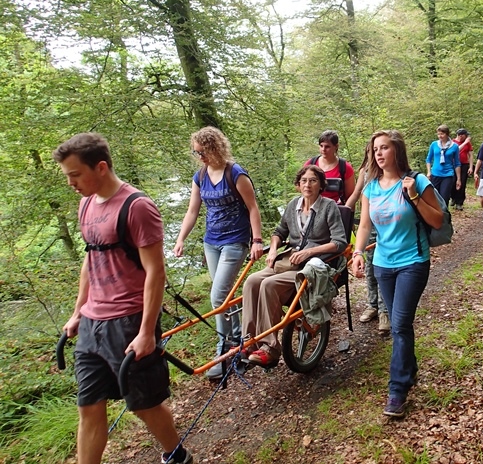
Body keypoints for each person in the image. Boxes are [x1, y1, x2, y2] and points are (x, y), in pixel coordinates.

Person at [53, 133, 193, 464]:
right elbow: (92, 260)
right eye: (68, 176)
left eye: (76, 175)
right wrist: (77, 313)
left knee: (144, 405)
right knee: (88, 406)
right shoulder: (86, 203)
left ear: (100, 167)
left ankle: (176, 455)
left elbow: (155, 272)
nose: (72, 183)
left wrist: (146, 332)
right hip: (92, 322)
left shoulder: (137, 207)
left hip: (129, 321)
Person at [352, 130, 443, 417]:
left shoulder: (416, 181)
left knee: (400, 324)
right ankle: (409, 367)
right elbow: (365, 226)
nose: (378, 153)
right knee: (400, 324)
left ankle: (397, 390)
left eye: (384, 148)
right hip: (383, 265)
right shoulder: (370, 188)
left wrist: (414, 197)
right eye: (375, 149)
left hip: (413, 261)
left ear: (397, 151)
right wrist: (357, 253)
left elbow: (437, 220)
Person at [173, 127, 263, 380]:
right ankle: (238, 343)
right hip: (211, 242)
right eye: (196, 152)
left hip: (236, 240)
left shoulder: (235, 174)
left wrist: (256, 240)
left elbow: (252, 208)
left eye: (202, 152)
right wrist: (181, 238)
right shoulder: (200, 176)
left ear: (215, 148)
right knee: (224, 298)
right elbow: (192, 211)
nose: (199, 156)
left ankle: (222, 350)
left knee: (217, 297)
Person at [242, 165, 348, 367]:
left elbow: (339, 242)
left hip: (313, 266)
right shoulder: (293, 205)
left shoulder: (328, 206)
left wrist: (309, 251)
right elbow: (279, 232)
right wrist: (273, 249)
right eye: (304, 181)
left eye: (313, 180)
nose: (308, 184)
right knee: (252, 281)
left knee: (268, 285)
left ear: (321, 185)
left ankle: (270, 348)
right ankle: (249, 340)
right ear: (298, 185)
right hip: (288, 260)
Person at [345, 143, 389, 333]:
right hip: (369, 225)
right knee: (370, 267)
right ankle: (373, 305)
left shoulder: (390, 171)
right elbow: (356, 194)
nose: (376, 154)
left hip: (388, 226)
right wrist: (344, 214)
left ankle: (385, 310)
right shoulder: (365, 171)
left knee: (384, 268)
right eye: (372, 150)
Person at [305, 130, 356, 204]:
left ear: (336, 146)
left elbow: (350, 196)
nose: (323, 149)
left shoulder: (345, 167)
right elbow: (299, 185)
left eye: (327, 146)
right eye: (321, 146)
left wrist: (348, 213)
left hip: (337, 210)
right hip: (313, 207)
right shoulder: (311, 164)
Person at [425, 124, 461, 206]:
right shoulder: (434, 144)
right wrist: (428, 172)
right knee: (434, 198)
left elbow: (457, 163)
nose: (440, 136)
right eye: (438, 134)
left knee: (444, 198)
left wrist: (458, 179)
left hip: (448, 175)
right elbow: (428, 159)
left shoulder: (454, 146)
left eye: (442, 134)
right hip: (435, 174)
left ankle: (444, 216)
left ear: (447, 134)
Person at [450, 128, 473, 211]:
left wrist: (470, 167)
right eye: (465, 135)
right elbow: (455, 150)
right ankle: (453, 197)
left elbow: (470, 155)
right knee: (452, 182)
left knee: (462, 183)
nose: (466, 137)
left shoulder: (468, 144)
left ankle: (459, 202)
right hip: (453, 165)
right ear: (460, 135)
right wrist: (465, 142)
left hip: (464, 165)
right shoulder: (452, 142)